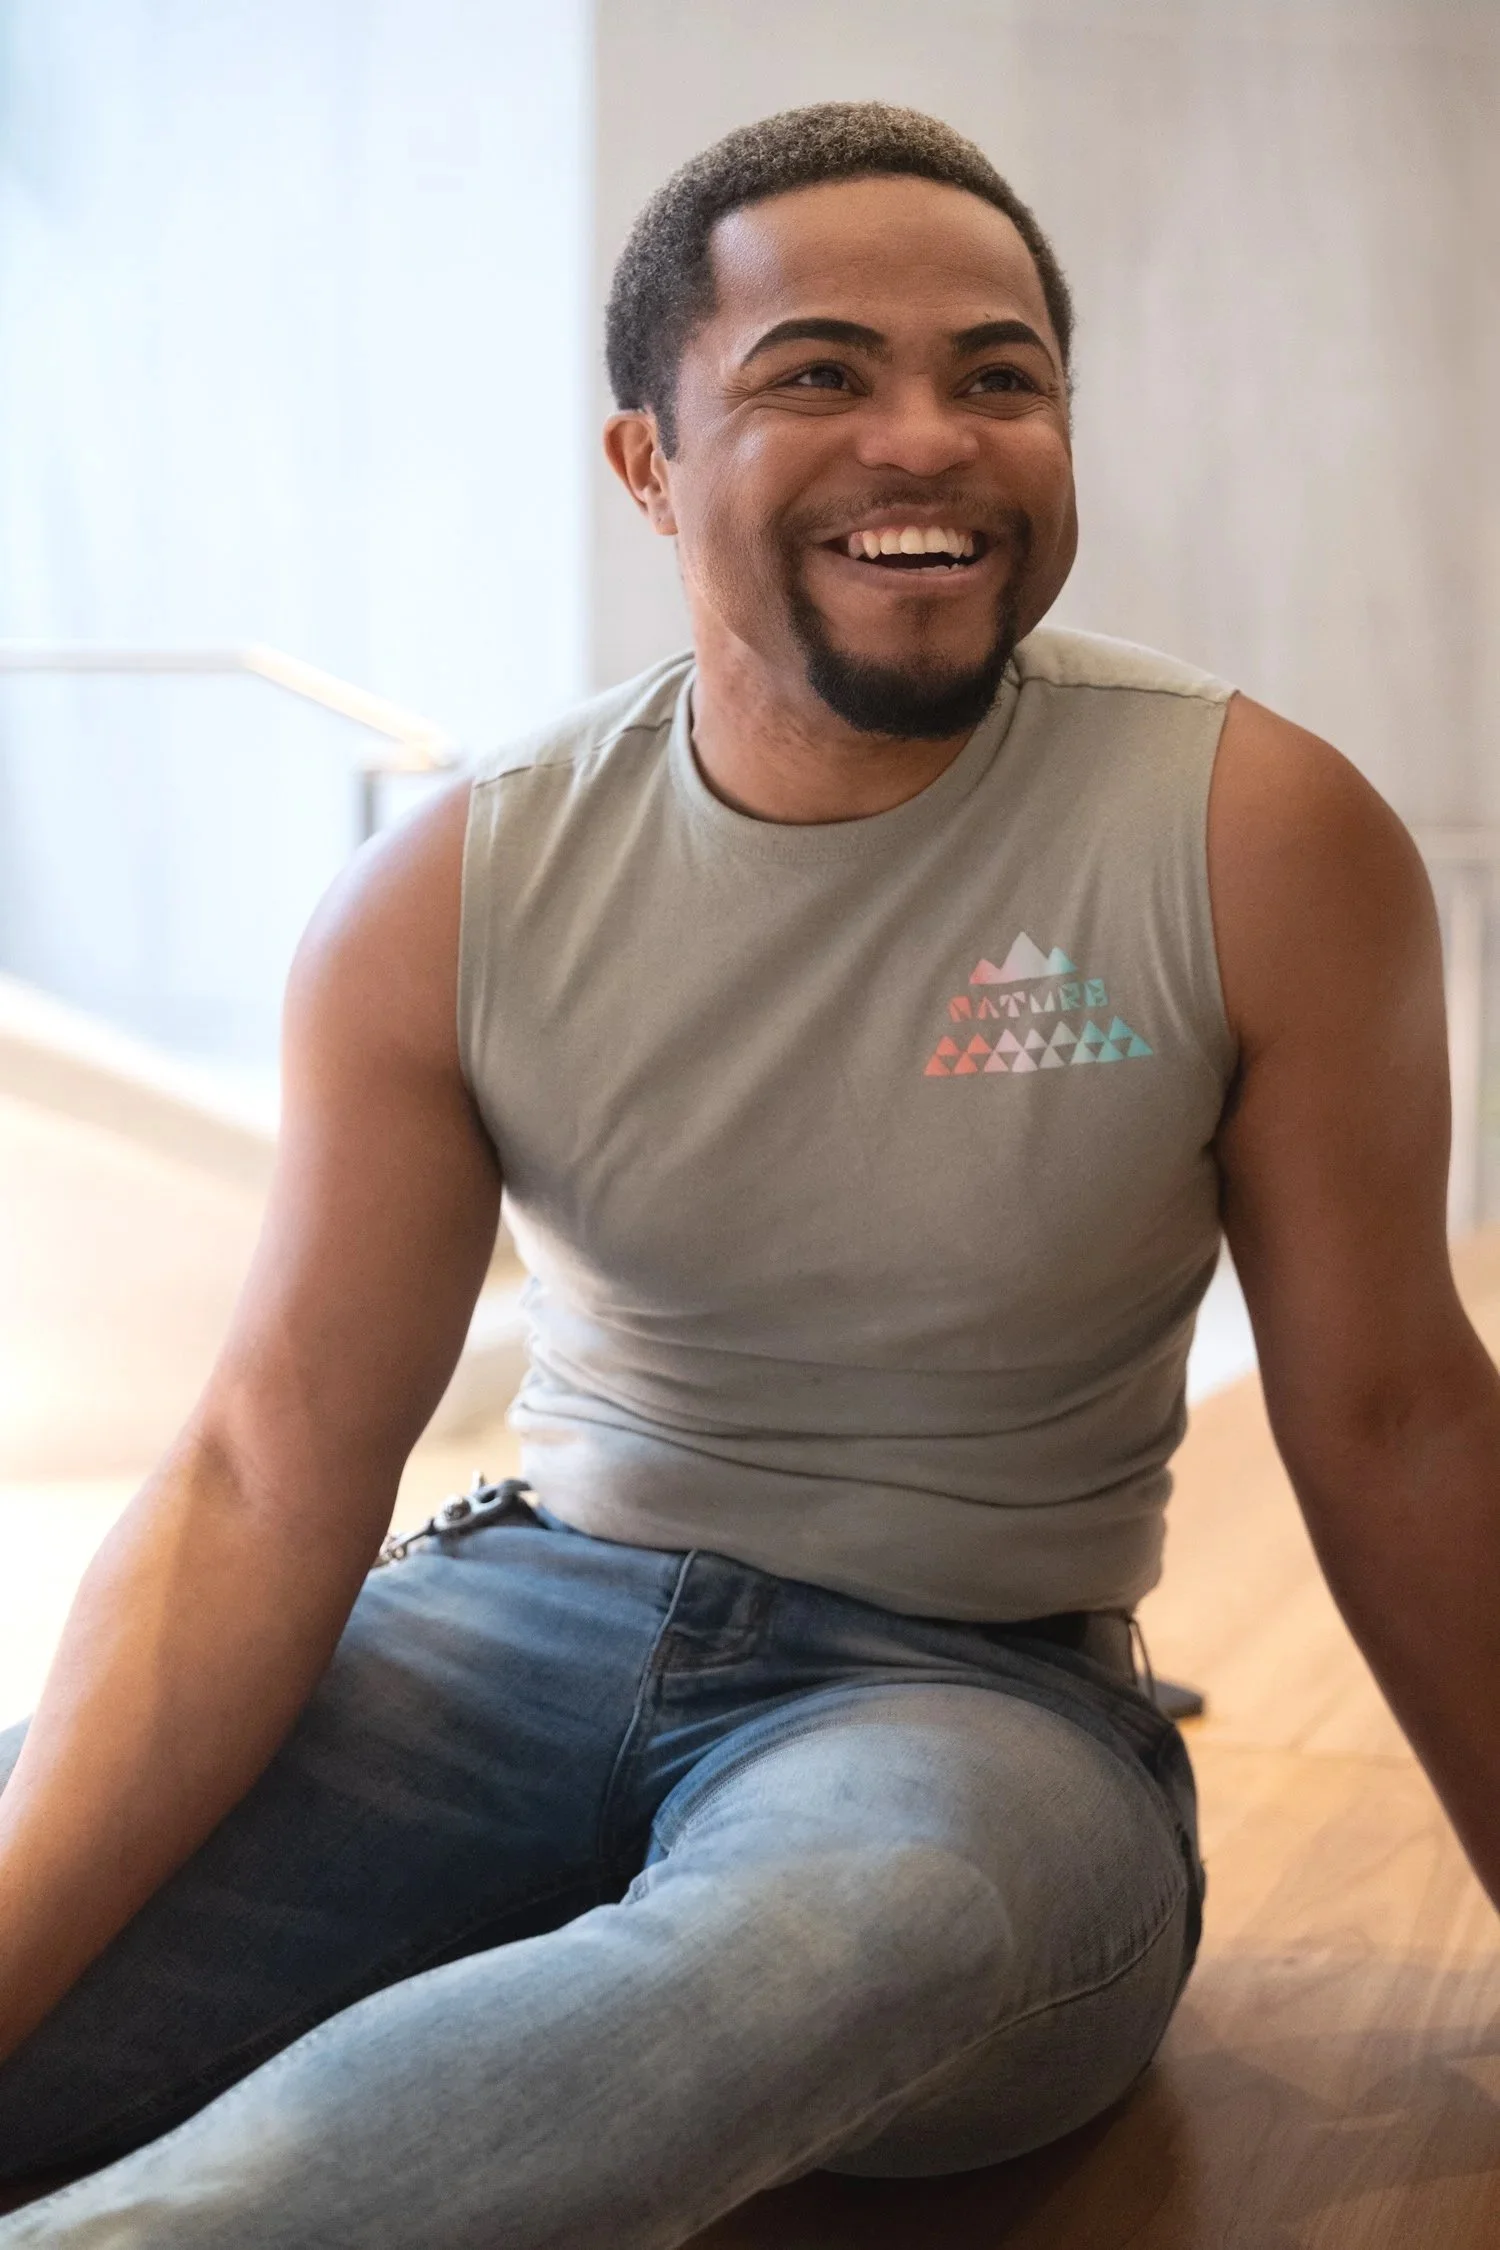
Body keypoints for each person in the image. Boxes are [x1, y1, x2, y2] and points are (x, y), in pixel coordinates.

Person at [0, 99, 1495, 2250]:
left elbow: (1398, 1417)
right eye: (820, 376)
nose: (928, 440)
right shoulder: (463, 891)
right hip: (517, 1620)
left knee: (833, 1941)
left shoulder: (1251, 833)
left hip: (975, 1709)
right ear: (649, 464)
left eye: (1001, 379)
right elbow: (268, 1463)